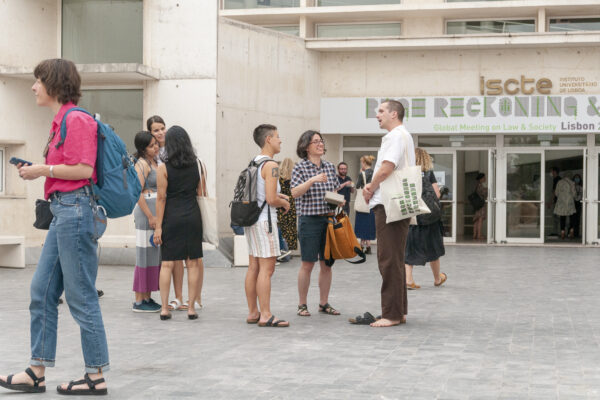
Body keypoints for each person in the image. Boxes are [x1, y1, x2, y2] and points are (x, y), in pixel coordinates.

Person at [0, 58, 109, 394]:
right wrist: (41, 168)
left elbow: (82, 169)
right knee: (42, 291)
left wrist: (42, 170)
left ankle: (95, 377)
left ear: (54, 84)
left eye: (38, 80)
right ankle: (36, 371)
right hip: (64, 211)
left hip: (74, 212)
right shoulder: (61, 120)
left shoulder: (76, 119)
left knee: (81, 296)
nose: (34, 87)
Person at [362, 100, 415, 328]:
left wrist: (370, 187)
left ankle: (391, 314)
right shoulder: (404, 135)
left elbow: (386, 167)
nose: (377, 115)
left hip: (389, 204)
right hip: (396, 204)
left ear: (394, 114)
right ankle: (398, 311)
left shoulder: (395, 136)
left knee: (388, 259)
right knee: (395, 258)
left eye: (381, 111)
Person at [154, 126, 204, 320]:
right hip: (193, 215)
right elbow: (201, 193)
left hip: (171, 218)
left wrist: (158, 226)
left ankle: (165, 308)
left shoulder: (163, 168)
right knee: (192, 263)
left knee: (167, 264)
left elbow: (161, 198)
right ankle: (191, 308)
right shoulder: (197, 165)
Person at [244, 124, 291, 327]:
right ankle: (266, 314)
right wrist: (284, 202)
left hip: (252, 220)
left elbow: (261, 193)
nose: (280, 140)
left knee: (253, 267)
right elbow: (270, 199)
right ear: (268, 139)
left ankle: (253, 312)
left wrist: (277, 196)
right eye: (278, 136)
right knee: (267, 269)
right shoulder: (271, 165)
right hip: (266, 222)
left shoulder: (254, 162)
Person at [291, 130, 341, 317]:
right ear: (306, 147)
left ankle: (324, 303)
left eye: (321, 141)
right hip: (309, 221)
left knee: (327, 264)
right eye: (316, 142)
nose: (321, 144)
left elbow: (334, 190)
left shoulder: (329, 166)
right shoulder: (300, 168)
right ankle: (302, 304)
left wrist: (339, 201)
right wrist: (312, 179)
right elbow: (295, 192)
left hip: (328, 219)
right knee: (307, 263)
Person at [147, 116, 189, 312]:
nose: (161, 132)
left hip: (172, 206)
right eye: (156, 130)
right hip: (159, 206)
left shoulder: (173, 152)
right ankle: (158, 298)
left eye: (162, 128)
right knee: (165, 259)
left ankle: (179, 297)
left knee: (178, 258)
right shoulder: (151, 155)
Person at [405, 148, 447, 289]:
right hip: (430, 217)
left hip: (413, 216)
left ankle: (409, 280)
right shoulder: (429, 173)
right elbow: (437, 194)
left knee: (410, 247)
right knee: (433, 247)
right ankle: (437, 278)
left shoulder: (407, 173)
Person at [131, 131, 162, 312]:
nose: (156, 147)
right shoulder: (142, 164)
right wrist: (150, 216)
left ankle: (147, 296)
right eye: (151, 145)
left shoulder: (155, 162)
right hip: (146, 215)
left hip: (155, 213)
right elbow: (137, 192)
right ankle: (139, 300)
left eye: (156, 144)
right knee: (144, 254)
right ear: (143, 148)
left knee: (152, 254)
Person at [354, 155, 376, 254]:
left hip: (363, 202)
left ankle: (362, 245)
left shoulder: (362, 173)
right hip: (372, 203)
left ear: (363, 163)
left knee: (362, 224)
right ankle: (368, 245)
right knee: (369, 224)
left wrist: (360, 174)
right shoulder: (375, 173)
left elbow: (358, 186)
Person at [277, 158, 298, 253]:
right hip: (292, 204)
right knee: (291, 227)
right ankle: (289, 249)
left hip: (281, 203)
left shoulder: (278, 178)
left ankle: (282, 248)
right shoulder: (294, 179)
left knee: (281, 226)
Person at [554, 172, 576, 239]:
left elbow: (556, 193)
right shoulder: (572, 183)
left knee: (562, 218)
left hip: (561, 202)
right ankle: (571, 231)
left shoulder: (559, 182)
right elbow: (574, 194)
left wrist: (561, 196)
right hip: (570, 202)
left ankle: (562, 232)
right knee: (572, 217)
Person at [472, 172, 488, 240]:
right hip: (481, 205)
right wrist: (487, 189)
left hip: (476, 205)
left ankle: (475, 234)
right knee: (480, 219)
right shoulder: (480, 185)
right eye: (484, 177)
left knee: (476, 219)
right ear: (481, 178)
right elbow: (484, 194)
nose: (485, 179)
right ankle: (479, 235)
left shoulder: (476, 185)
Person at [572, 173, 583, 238]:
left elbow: (580, 196)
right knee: (572, 219)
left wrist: (576, 198)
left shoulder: (581, 187)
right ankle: (571, 233)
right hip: (572, 204)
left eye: (578, 178)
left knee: (577, 219)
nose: (576, 179)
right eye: (575, 178)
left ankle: (576, 233)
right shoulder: (572, 186)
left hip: (578, 204)